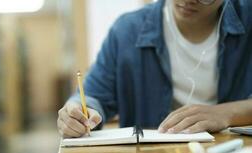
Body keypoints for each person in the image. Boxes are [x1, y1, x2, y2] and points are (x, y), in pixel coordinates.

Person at [57, 0, 252, 138]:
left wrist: (226, 114)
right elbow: (93, 96)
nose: (189, 1)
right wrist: (76, 113)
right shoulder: (127, 31)